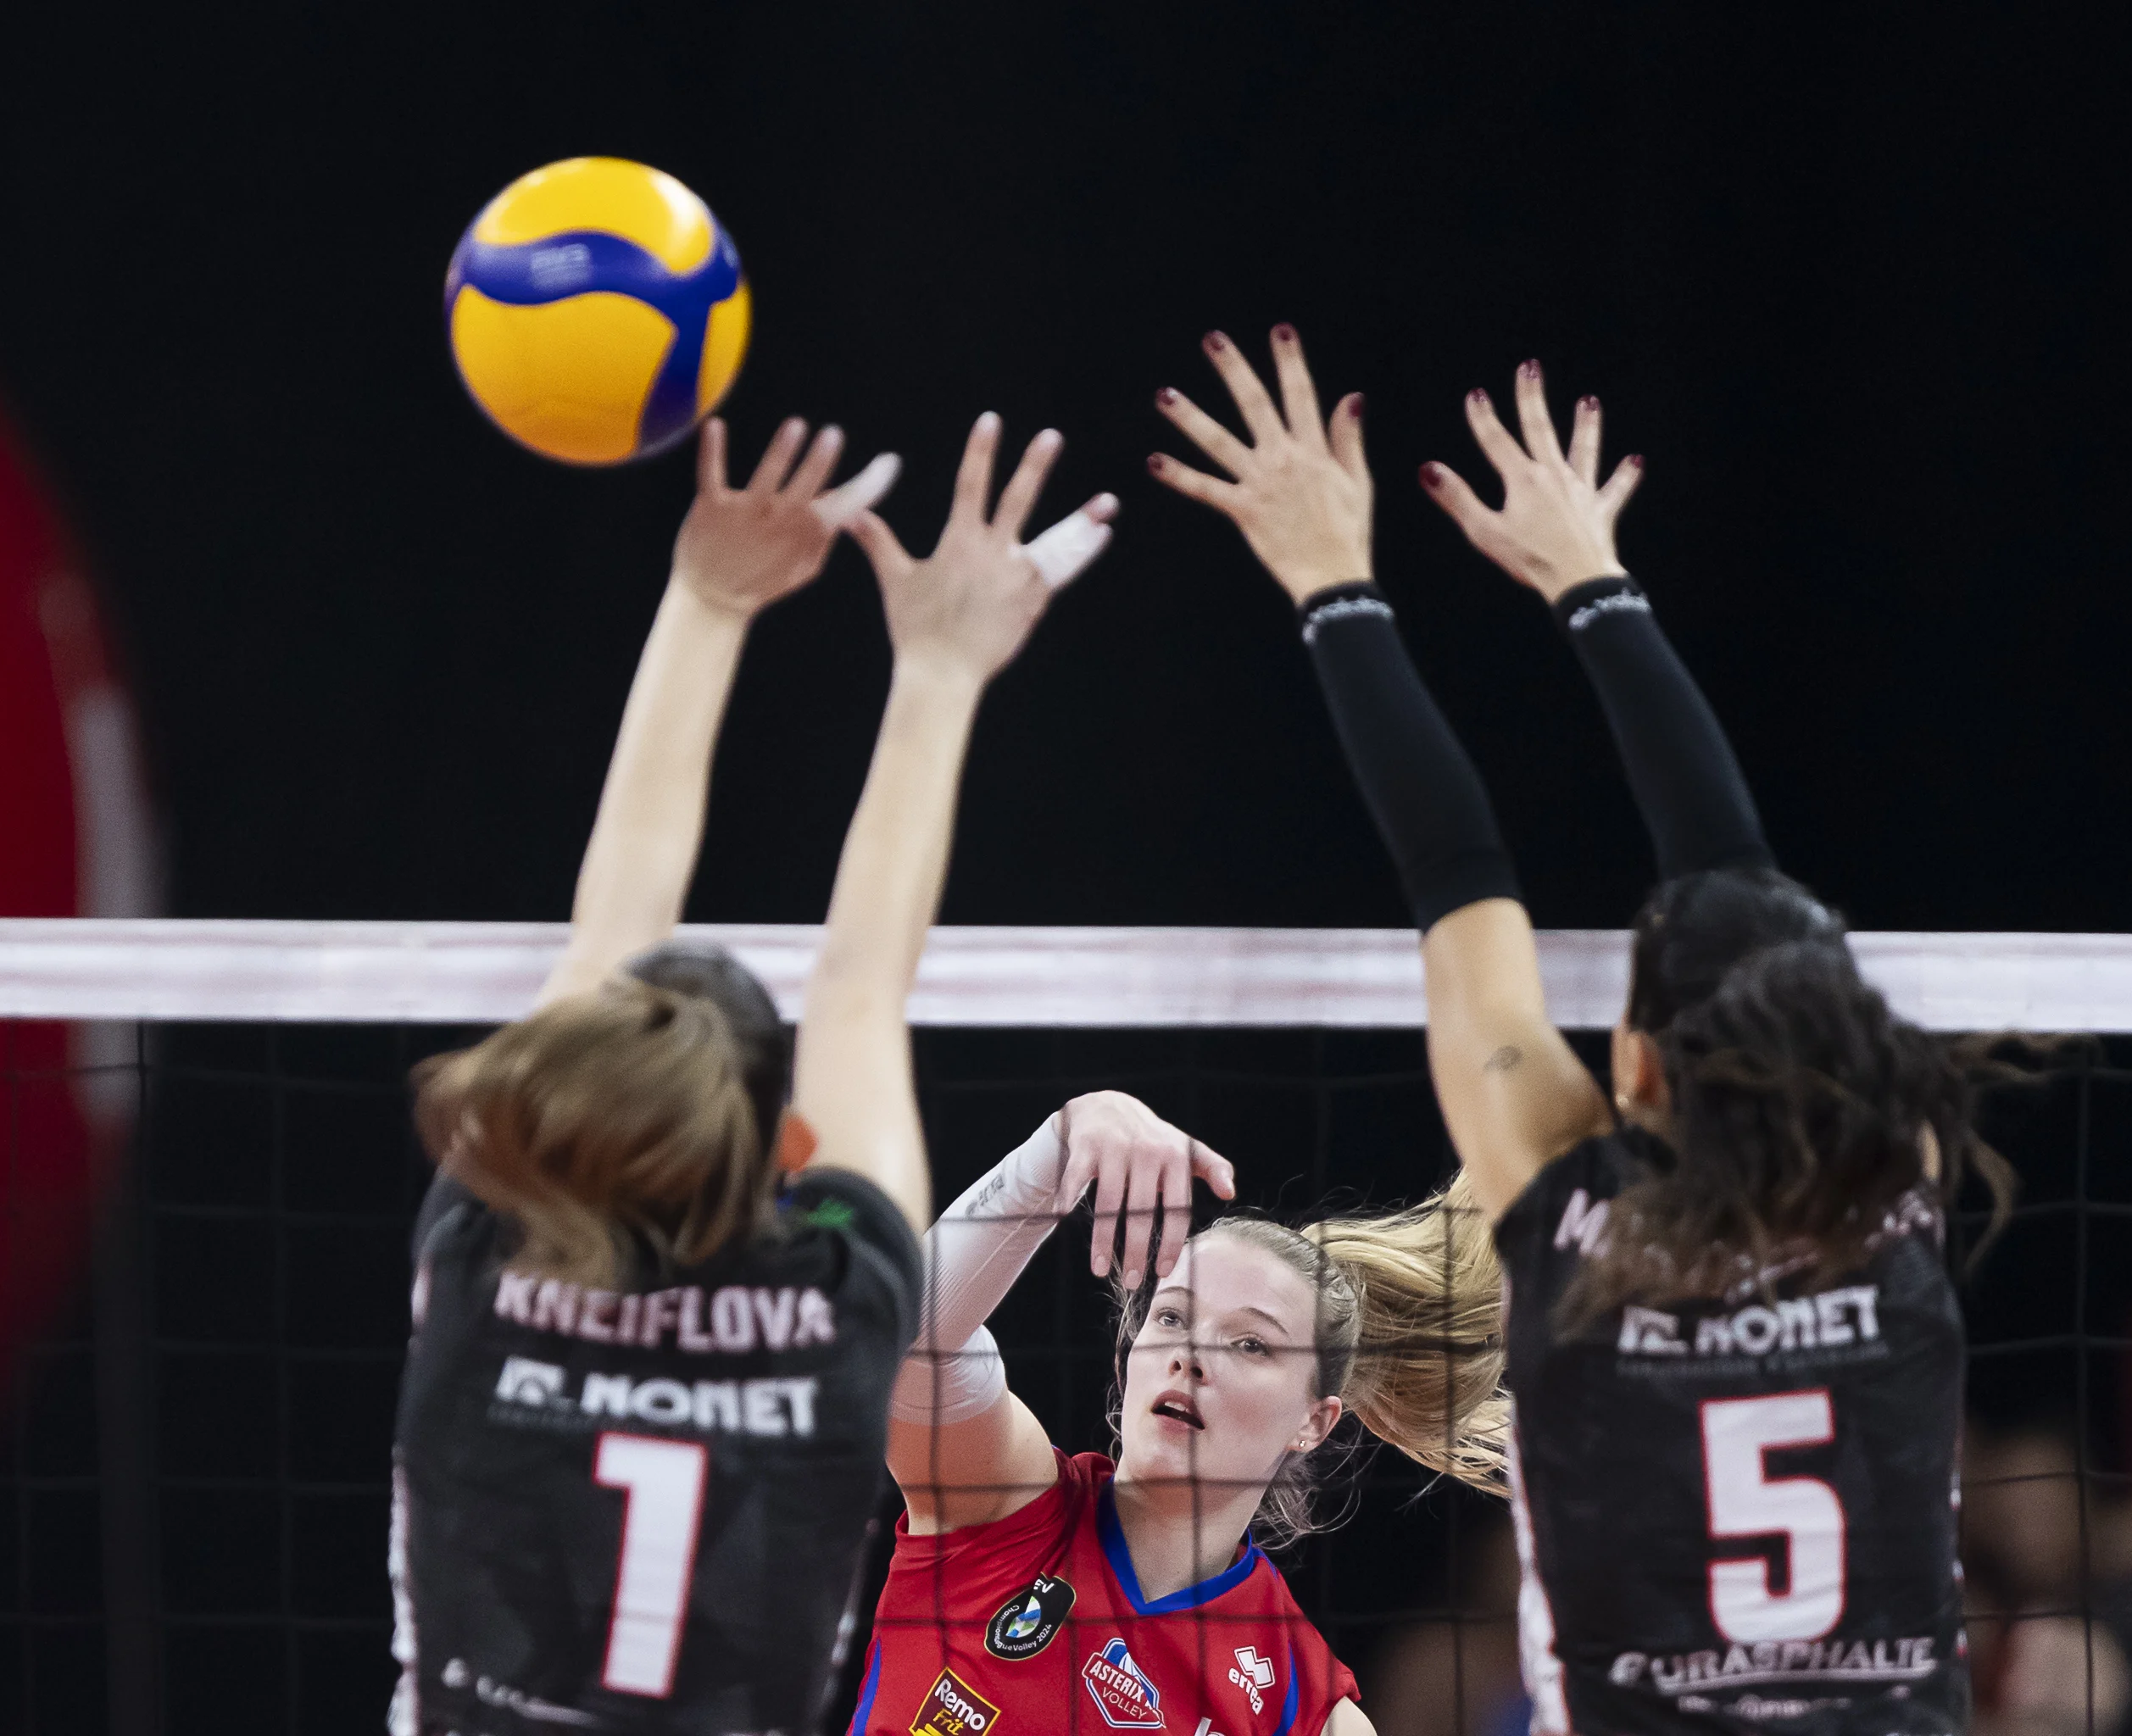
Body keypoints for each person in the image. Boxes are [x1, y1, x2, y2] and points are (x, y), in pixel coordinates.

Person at [1151, 327, 2013, 1735]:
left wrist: (1338, 576)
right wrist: (1592, 585)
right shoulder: (1896, 1200)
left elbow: (1454, 866)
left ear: (1636, 1065)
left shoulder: (1580, 1212)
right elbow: (1731, 884)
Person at [390, 410, 1118, 1736]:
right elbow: (861, 986)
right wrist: (942, 669)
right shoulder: (835, 1300)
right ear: (785, 1151)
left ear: (563, 1108)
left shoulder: (489, 1239)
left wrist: (706, 599)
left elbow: (626, 919)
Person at [854, 1082, 1508, 1736]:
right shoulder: (1006, 1505)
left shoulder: (1302, 1708)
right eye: (1171, 1317)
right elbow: (903, 1341)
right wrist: (1051, 1155)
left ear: (1313, 1421)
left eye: (1250, 1343)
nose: (1190, 1356)